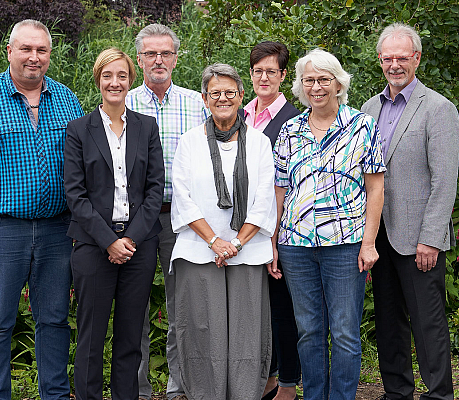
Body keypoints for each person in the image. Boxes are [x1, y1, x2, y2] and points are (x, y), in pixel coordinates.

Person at [0, 19, 84, 400]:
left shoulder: (67, 99)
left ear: (50, 55)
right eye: (26, 49)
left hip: (58, 229)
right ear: (10, 51)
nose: (33, 57)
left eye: (41, 50)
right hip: (1, 230)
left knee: (55, 320)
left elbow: (83, 163)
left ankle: (54, 394)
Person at [272, 48, 385, 400]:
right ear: (301, 86)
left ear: (338, 83)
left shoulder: (361, 125)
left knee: (345, 331)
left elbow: (376, 186)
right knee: (308, 331)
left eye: (324, 79)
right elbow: (279, 189)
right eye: (309, 80)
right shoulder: (290, 130)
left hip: (346, 243)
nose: (316, 87)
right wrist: (272, 242)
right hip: (295, 246)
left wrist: (369, 243)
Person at [361, 23, 459, 400]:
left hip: (419, 238)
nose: (395, 65)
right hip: (377, 235)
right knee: (388, 323)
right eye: (388, 58)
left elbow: (444, 181)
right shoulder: (369, 108)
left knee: (428, 324)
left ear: (417, 58)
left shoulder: (438, 109)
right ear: (380, 61)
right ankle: (397, 393)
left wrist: (431, 239)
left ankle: (438, 395)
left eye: (402, 57)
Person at [170, 63, 276, 400]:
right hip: (198, 251)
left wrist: (236, 242)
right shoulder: (189, 142)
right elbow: (183, 197)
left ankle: (245, 394)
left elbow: (263, 199)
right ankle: (205, 394)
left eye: (230, 92)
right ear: (204, 98)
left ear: (242, 96)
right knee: (203, 329)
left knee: (246, 331)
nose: (223, 98)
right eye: (215, 93)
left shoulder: (259, 143)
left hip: (247, 251)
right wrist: (215, 241)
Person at [63, 48, 165, 400]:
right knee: (90, 338)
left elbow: (155, 190)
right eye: (108, 76)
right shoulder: (78, 129)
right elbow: (75, 195)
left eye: (121, 75)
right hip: (93, 247)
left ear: (130, 80)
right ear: (98, 80)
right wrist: (109, 241)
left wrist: (130, 239)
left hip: (139, 246)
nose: (115, 82)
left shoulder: (146, 127)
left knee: (129, 337)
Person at [125, 23, 208, 400]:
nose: (159, 60)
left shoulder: (197, 103)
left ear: (176, 57)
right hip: (136, 219)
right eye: (150, 54)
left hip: (185, 220)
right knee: (134, 307)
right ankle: (138, 389)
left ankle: (179, 388)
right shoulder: (122, 102)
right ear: (139, 58)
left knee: (184, 308)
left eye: (166, 53)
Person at [241, 41, 301, 400]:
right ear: (251, 75)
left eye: (271, 71)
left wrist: (274, 235)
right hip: (242, 227)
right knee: (255, 309)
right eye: (258, 71)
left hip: (276, 227)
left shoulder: (293, 119)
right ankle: (265, 376)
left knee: (282, 308)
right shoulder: (241, 114)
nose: (264, 77)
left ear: (282, 75)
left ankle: (287, 382)